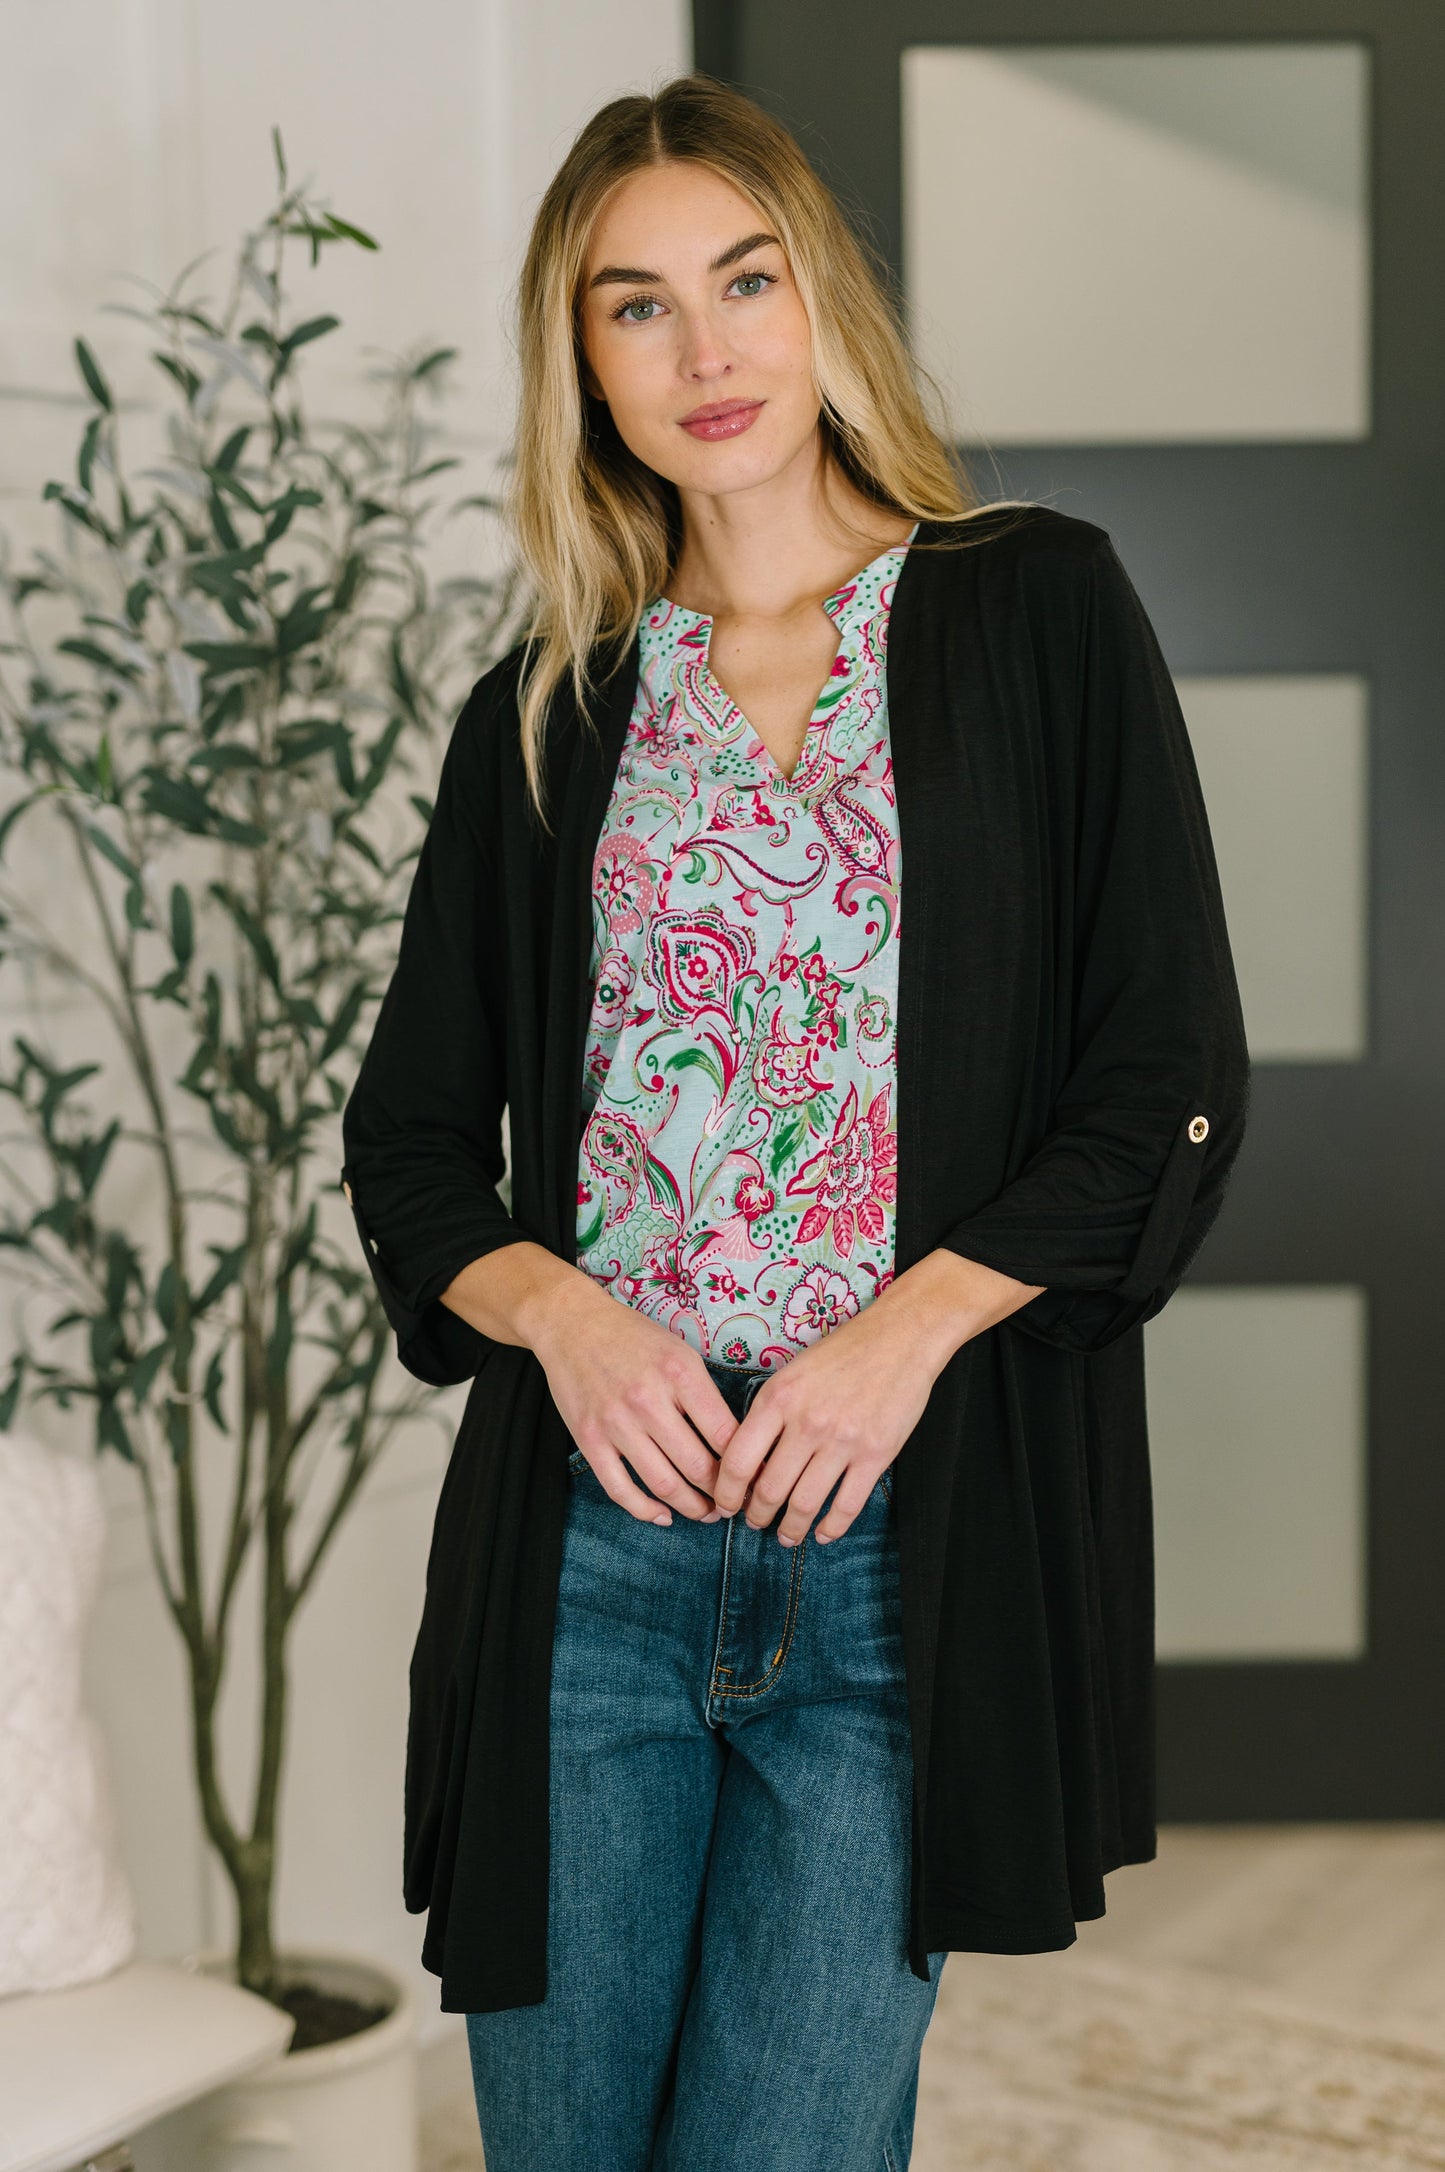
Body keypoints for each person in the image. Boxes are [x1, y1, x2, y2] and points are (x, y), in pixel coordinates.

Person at [339, 72, 1251, 2172]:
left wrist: (904, 1329)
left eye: (742, 281)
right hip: (590, 1559)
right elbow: (408, 1146)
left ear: (820, 293)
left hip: (890, 1557)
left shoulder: (1034, 614)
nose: (705, 348)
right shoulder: (551, 706)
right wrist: (566, 1320)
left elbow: (1166, 1074)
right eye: (632, 306)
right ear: (581, 365)